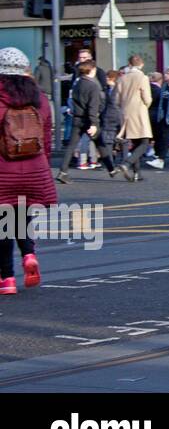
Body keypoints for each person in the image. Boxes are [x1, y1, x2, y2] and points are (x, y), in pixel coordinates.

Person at [0, 48, 56, 295]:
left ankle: (7, 279)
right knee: (22, 218)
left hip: (3, 169)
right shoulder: (40, 97)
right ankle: (29, 254)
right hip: (35, 168)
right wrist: (43, 163)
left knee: (3, 225)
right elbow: (46, 138)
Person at [58, 59, 104, 184]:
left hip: (77, 117)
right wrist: (94, 122)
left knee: (71, 146)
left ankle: (63, 171)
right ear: (92, 70)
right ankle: (111, 168)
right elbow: (93, 106)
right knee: (100, 143)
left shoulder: (77, 83)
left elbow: (72, 99)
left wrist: (72, 110)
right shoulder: (93, 85)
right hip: (87, 119)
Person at [116, 55, 153, 183]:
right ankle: (127, 163)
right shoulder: (142, 77)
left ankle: (137, 173)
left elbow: (116, 99)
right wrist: (146, 106)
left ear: (129, 64)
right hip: (139, 112)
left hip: (125, 113)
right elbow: (147, 98)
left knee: (135, 143)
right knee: (144, 142)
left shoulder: (122, 78)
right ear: (141, 65)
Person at [97, 69, 125, 178]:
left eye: (108, 77)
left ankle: (118, 162)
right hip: (112, 116)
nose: (106, 79)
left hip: (112, 116)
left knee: (115, 140)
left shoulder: (113, 89)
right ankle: (116, 163)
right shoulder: (109, 89)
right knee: (112, 140)